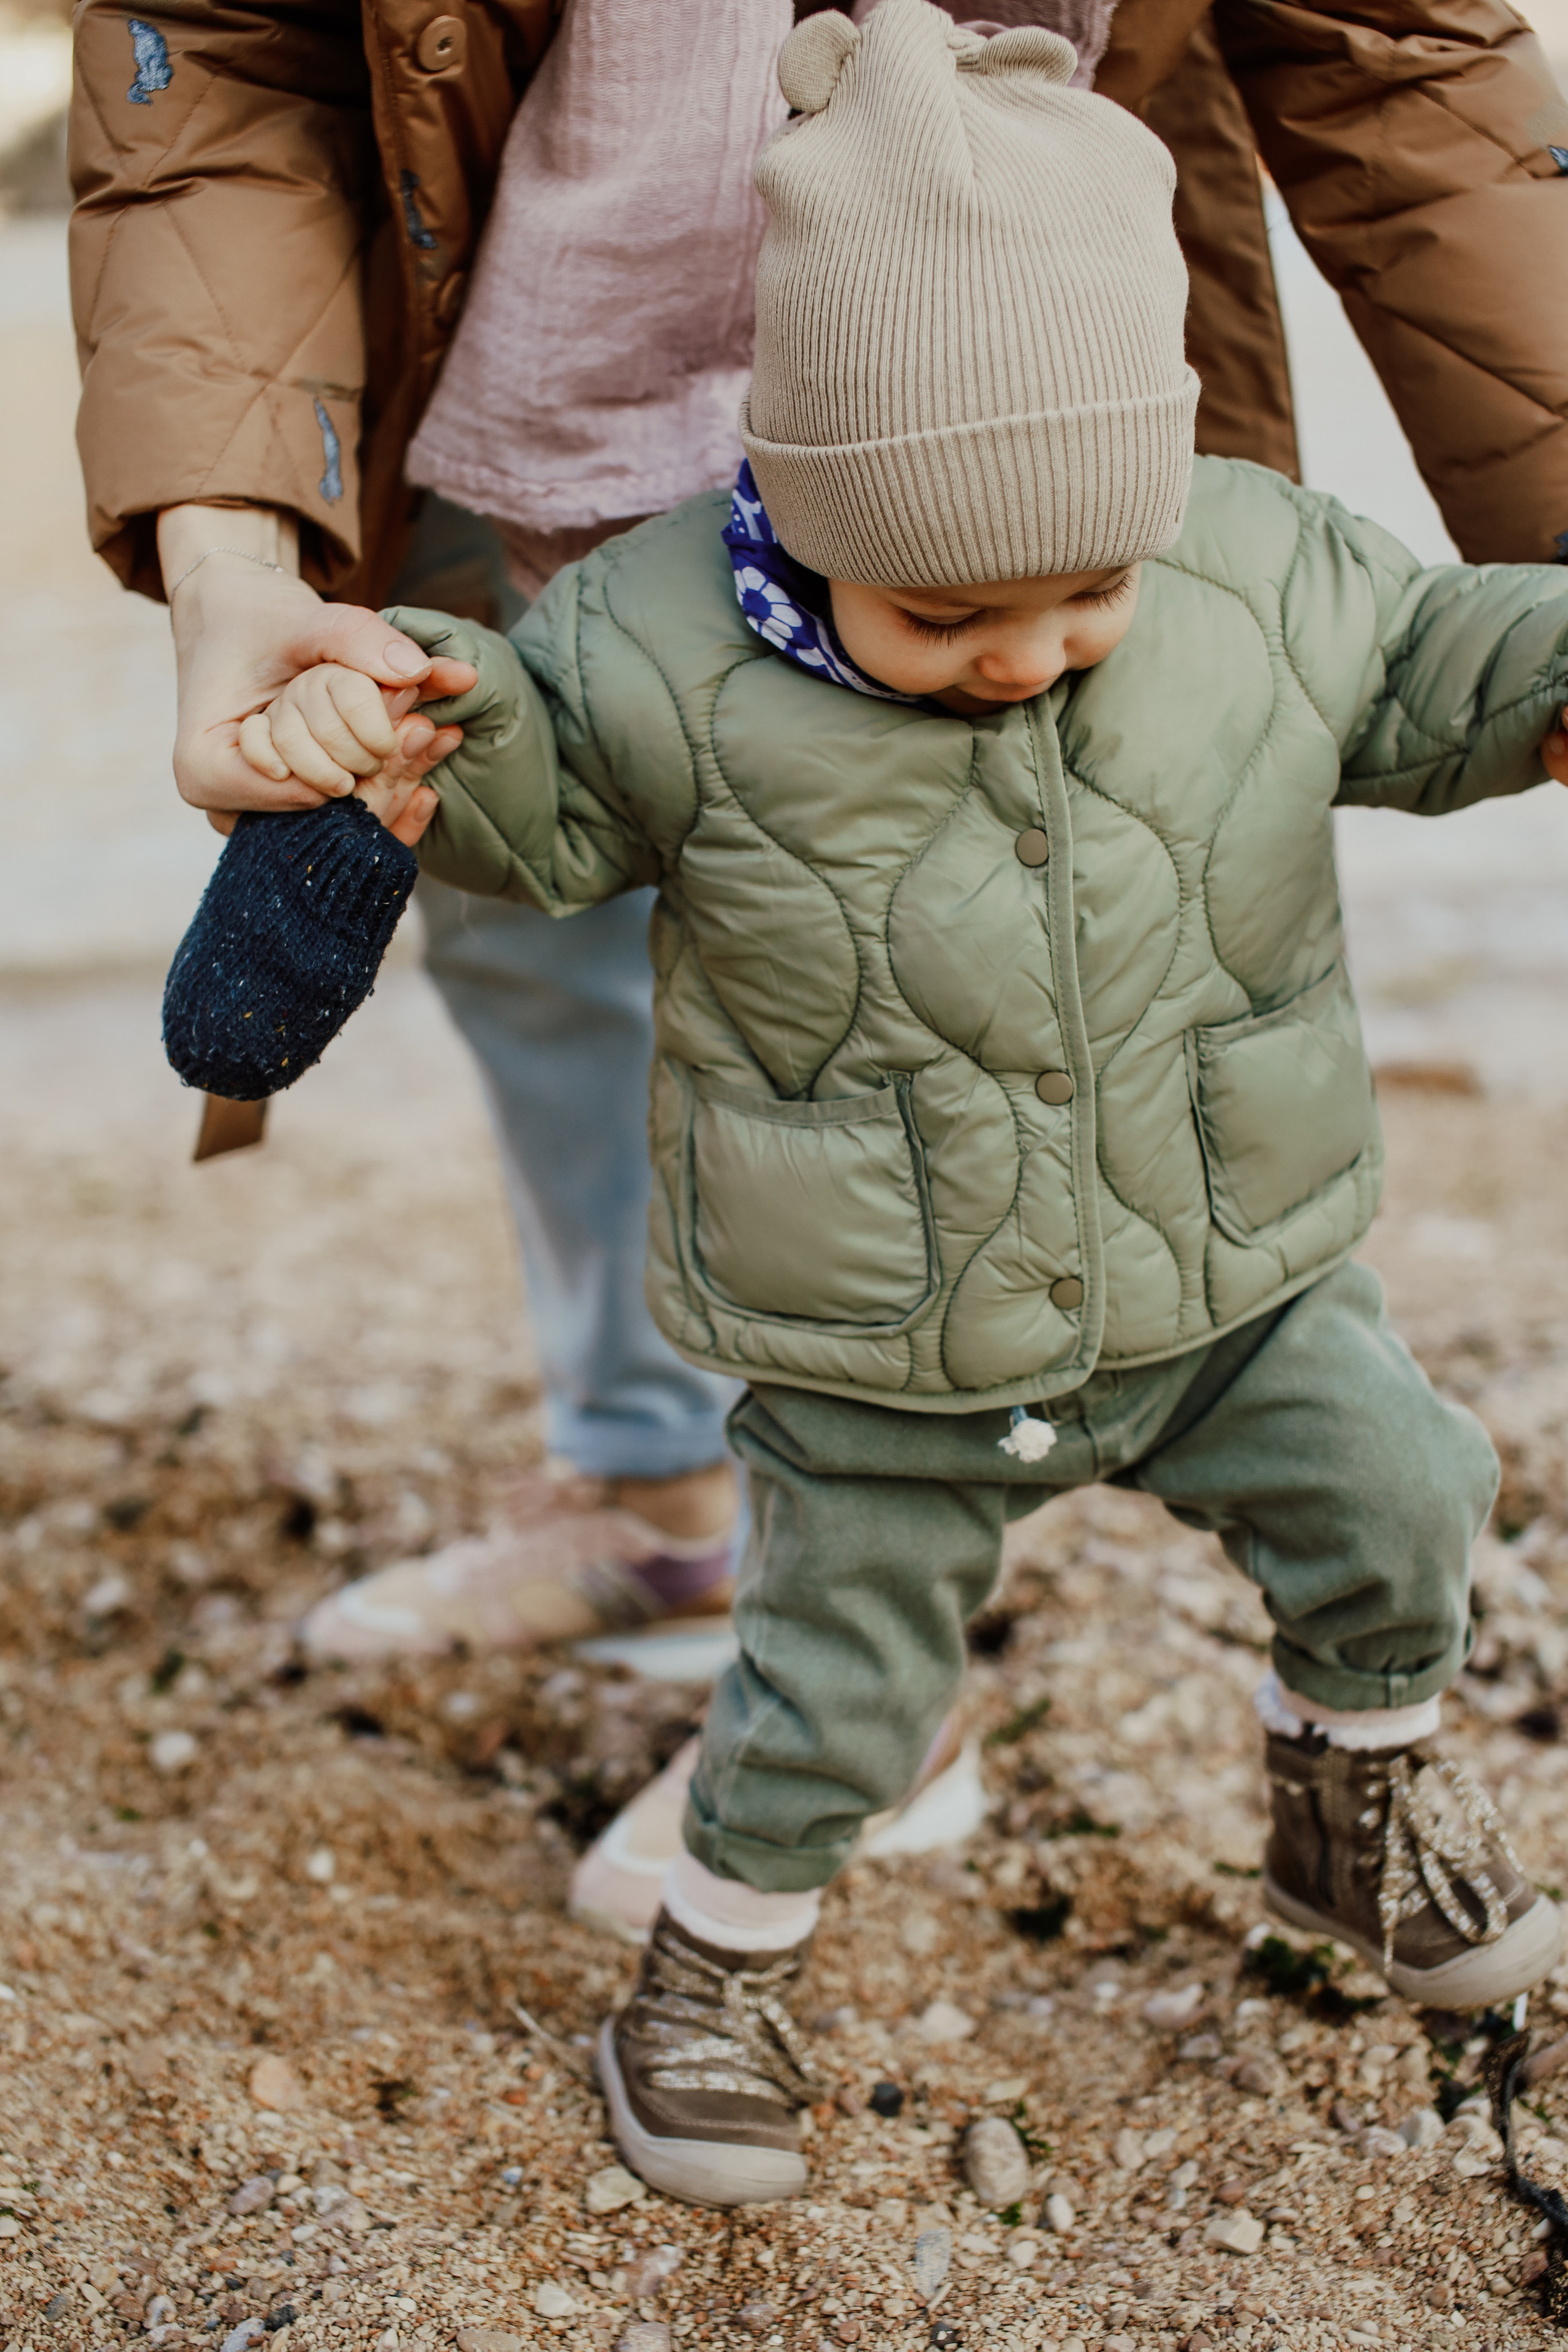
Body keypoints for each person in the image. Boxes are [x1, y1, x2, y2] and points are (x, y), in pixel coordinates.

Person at [240, 0, 1568, 2205]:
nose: (1031, 649)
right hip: (885, 1345)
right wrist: (415, 742)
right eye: (943, 609)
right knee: (822, 1694)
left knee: (1409, 1497)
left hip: (1232, 1277)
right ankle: (720, 1966)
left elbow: (1444, 661)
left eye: (1089, 596)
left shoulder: (1251, 563)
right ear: (803, 497)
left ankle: (1358, 1797)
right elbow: (539, 811)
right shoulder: (669, 644)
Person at [68, 0, 1568, 1669]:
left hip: (1024, 400)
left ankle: (864, 1618)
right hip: (527, 367)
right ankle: (664, 1492)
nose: (1011, 667)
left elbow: (1407, 61)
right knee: (524, 928)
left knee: (969, 987)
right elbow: (219, 54)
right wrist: (232, 560)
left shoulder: (1086, 597)